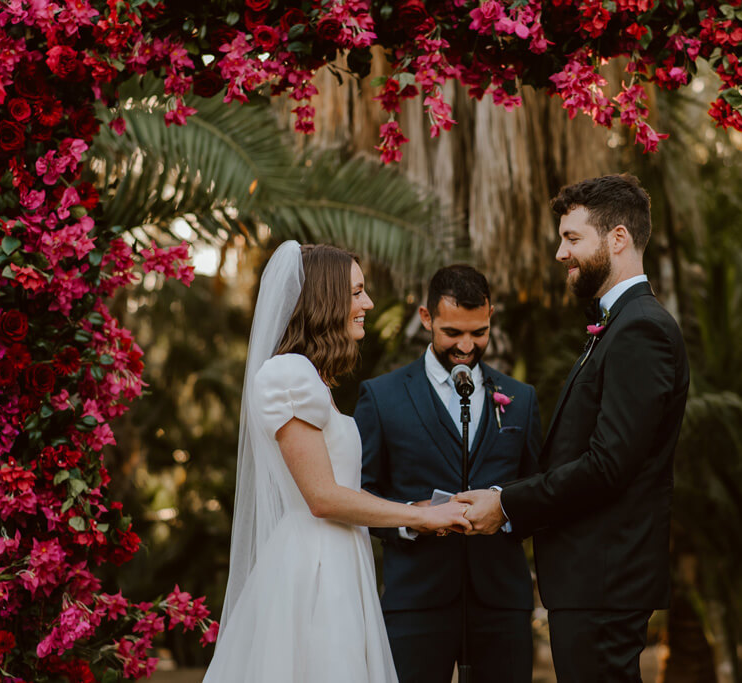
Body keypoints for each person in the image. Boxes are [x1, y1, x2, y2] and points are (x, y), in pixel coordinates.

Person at [203, 242, 471, 683]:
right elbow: (323, 498)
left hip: (340, 555)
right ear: (325, 299)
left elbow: (335, 486)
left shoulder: (311, 378)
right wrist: (417, 518)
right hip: (314, 569)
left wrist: (417, 511)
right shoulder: (288, 375)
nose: (367, 303)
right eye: (357, 292)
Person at [457, 175, 690, 683]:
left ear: (618, 239)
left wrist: (506, 503)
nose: (560, 252)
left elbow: (609, 465)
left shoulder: (640, 329)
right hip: (592, 582)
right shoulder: (619, 326)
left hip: (603, 581)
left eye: (572, 238)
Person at [355, 265, 541, 683]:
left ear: (491, 315)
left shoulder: (521, 400)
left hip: (502, 603)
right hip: (415, 601)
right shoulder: (381, 398)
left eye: (479, 332)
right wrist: (412, 518)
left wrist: (505, 508)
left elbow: (539, 488)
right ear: (426, 318)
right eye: (453, 332)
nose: (466, 345)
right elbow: (359, 494)